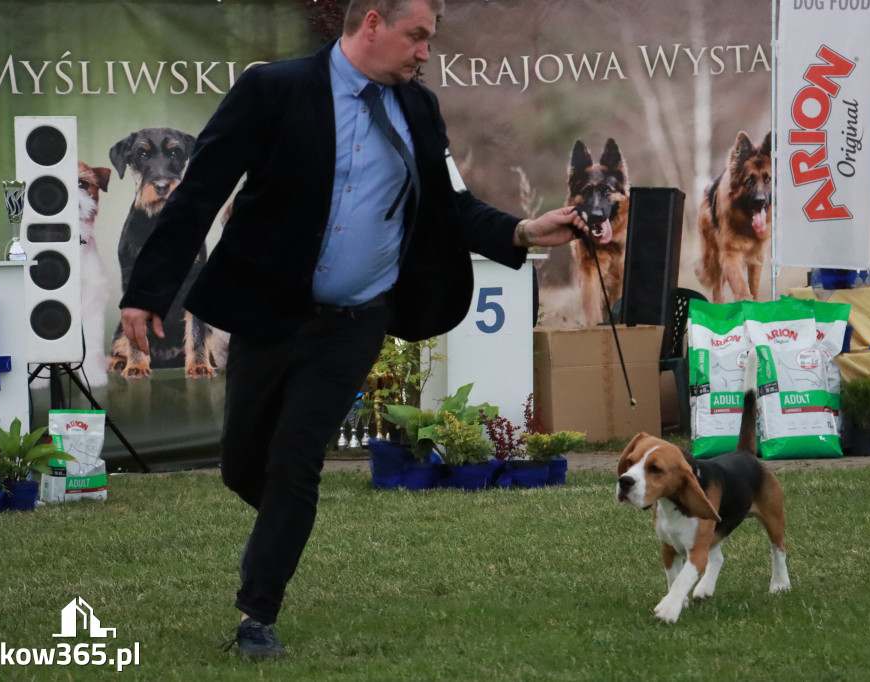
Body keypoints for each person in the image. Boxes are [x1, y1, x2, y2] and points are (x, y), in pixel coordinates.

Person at [119, 0, 588, 660]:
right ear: (372, 23)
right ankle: (286, 516)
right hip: (270, 312)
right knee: (242, 465)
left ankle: (257, 613)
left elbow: (450, 206)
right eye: (416, 36)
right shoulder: (274, 90)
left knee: (295, 458)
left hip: (358, 318)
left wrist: (519, 230)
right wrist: (146, 293)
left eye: (430, 39)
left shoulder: (417, 109)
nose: (425, 51)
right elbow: (200, 193)